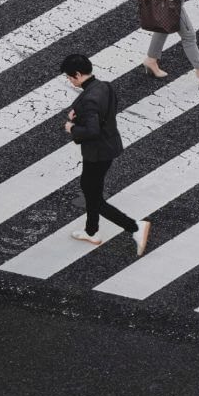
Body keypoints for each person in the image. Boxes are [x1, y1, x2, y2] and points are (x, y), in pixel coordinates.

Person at [61, 53, 151, 254]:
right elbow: (104, 109)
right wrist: (77, 113)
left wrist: (71, 128)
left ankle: (135, 227)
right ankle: (91, 231)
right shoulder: (104, 86)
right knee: (91, 188)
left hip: (97, 152)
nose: (69, 81)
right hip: (109, 146)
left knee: (93, 197)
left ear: (77, 74)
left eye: (69, 77)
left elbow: (92, 130)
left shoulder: (90, 100)